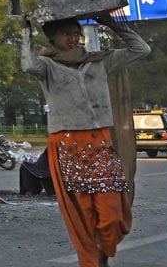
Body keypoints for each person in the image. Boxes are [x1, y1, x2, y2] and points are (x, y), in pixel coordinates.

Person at [21, 13, 150, 267]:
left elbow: (141, 49)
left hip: (101, 143)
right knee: (82, 213)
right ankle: (92, 260)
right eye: (65, 33)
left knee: (112, 212)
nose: (72, 38)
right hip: (68, 144)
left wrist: (111, 24)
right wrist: (25, 31)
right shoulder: (47, 66)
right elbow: (27, 65)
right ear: (53, 38)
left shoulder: (101, 62)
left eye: (75, 33)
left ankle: (102, 251)